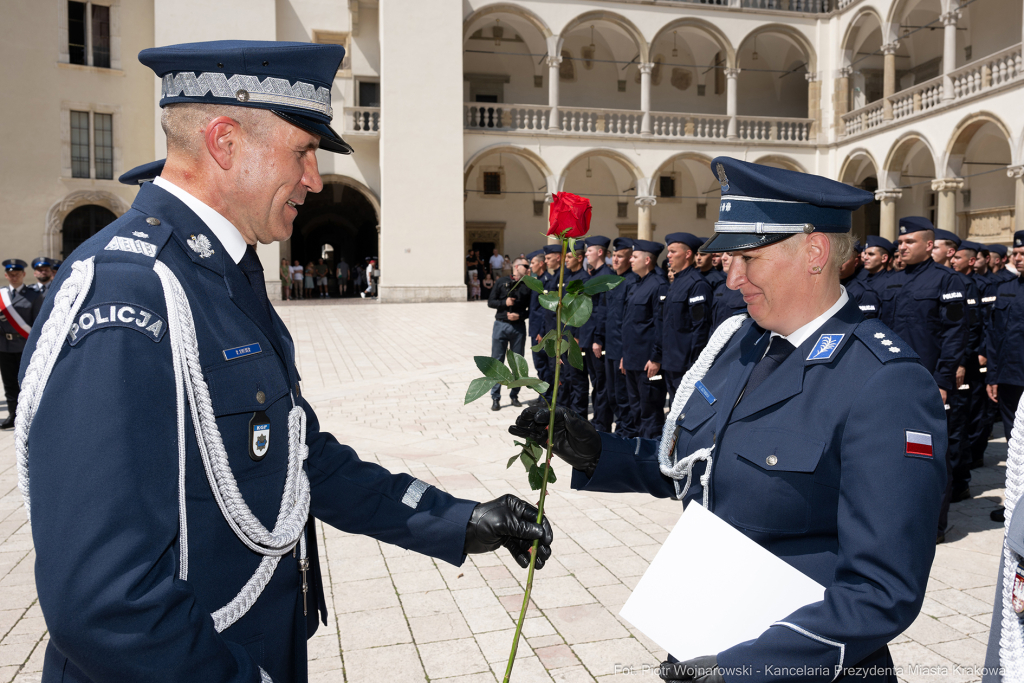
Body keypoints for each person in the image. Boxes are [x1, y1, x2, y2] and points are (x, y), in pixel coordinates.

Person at [18, 41, 553, 683]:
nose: (316, 180)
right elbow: (105, 602)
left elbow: (297, 456)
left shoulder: (222, 274)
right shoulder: (129, 289)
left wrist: (458, 520)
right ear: (225, 142)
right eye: (303, 151)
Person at [511, 157, 946, 683]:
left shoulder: (884, 381)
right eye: (728, 259)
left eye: (749, 258)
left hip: (796, 665)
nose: (732, 277)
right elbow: (704, 464)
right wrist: (599, 452)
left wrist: (745, 668)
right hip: (709, 638)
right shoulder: (741, 341)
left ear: (814, 252)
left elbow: (882, 591)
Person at [879, 217, 967, 542]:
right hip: (890, 383)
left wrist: (943, 381)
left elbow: (955, 334)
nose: (901, 247)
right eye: (900, 242)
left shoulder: (948, 281)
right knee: (894, 453)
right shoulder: (891, 282)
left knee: (931, 455)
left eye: (909, 242)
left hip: (928, 383)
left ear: (929, 245)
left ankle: (934, 527)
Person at [654, 233, 712, 405]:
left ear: (687, 254)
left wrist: (694, 365)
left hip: (685, 364)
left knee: (686, 411)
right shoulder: (677, 282)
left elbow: (700, 328)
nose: (668, 255)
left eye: (673, 251)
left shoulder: (697, 284)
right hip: (671, 361)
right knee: (674, 408)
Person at [620, 238, 668, 439]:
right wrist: (625, 356)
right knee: (636, 409)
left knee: (650, 411)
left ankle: (652, 455)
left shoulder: (658, 285)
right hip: (632, 360)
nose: (631, 259)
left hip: (648, 362)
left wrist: (656, 358)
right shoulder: (637, 284)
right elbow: (631, 324)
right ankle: (639, 451)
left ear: (647, 259)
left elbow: (661, 325)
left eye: (635, 256)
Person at [601, 238, 639, 436]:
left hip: (622, 350)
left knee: (623, 396)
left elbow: (629, 322)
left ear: (630, 258)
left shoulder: (632, 282)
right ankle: (621, 429)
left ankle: (627, 433)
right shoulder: (613, 282)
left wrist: (626, 353)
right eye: (614, 255)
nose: (615, 259)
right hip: (611, 347)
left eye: (620, 256)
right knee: (612, 395)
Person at [0, 259, 42, 430]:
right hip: (4, 346)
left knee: (26, 382)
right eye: (10, 274)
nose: (14, 276)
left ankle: (30, 417)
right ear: (6, 275)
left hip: (25, 345)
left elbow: (37, 322)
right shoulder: (1, 296)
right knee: (9, 383)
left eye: (17, 273)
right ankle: (13, 415)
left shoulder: (33, 295)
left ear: (23, 274)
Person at [488, 258, 531, 411]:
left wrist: (520, 316)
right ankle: (495, 397)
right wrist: (504, 304)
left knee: (517, 363)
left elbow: (532, 309)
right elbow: (490, 302)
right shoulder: (501, 282)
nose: (528, 268)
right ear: (516, 267)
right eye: (526, 266)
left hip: (518, 327)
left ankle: (514, 395)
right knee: (497, 362)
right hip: (501, 325)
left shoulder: (528, 285)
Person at [580, 236, 613, 431]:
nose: (586, 254)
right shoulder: (593, 276)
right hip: (588, 337)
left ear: (600, 252)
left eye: (589, 251)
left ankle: (602, 422)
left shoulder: (605, 276)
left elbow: (603, 311)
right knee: (596, 382)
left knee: (601, 384)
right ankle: (599, 419)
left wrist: (598, 339)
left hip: (596, 340)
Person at [555, 242, 590, 417]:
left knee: (577, 380)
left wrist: (578, 337)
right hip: (563, 336)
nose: (565, 260)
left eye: (569, 256)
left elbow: (584, 311)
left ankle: (579, 417)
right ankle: (565, 414)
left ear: (580, 258)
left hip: (574, 338)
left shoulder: (583, 280)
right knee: (565, 378)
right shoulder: (566, 277)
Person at [525, 249, 551, 405]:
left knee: (544, 364)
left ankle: (547, 397)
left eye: (533, 263)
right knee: (539, 365)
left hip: (541, 332)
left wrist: (542, 331)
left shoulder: (547, 281)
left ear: (541, 264)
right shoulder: (537, 281)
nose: (530, 266)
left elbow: (545, 309)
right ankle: (543, 394)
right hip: (535, 330)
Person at [710, 251, 747, 333]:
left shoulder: (749, 289)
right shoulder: (721, 287)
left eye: (729, 254)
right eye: (723, 254)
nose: (723, 258)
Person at [839, 249, 880, 318]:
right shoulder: (825, 288)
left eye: (844, 258)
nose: (838, 262)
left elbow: (866, 326)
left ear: (855, 262)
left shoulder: (864, 293)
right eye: (835, 257)